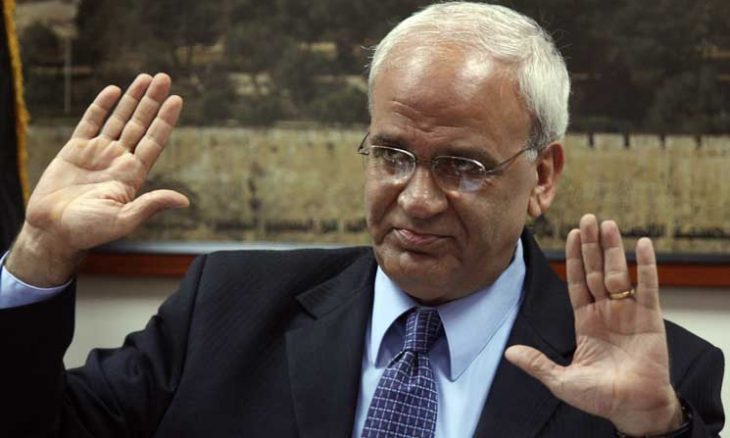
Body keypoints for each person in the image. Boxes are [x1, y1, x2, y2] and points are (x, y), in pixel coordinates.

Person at [0, 2, 723, 437]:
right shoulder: (226, 307)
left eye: (463, 166)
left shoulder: (653, 378)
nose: (418, 199)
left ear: (542, 176)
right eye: (393, 154)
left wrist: (654, 432)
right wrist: (40, 251)